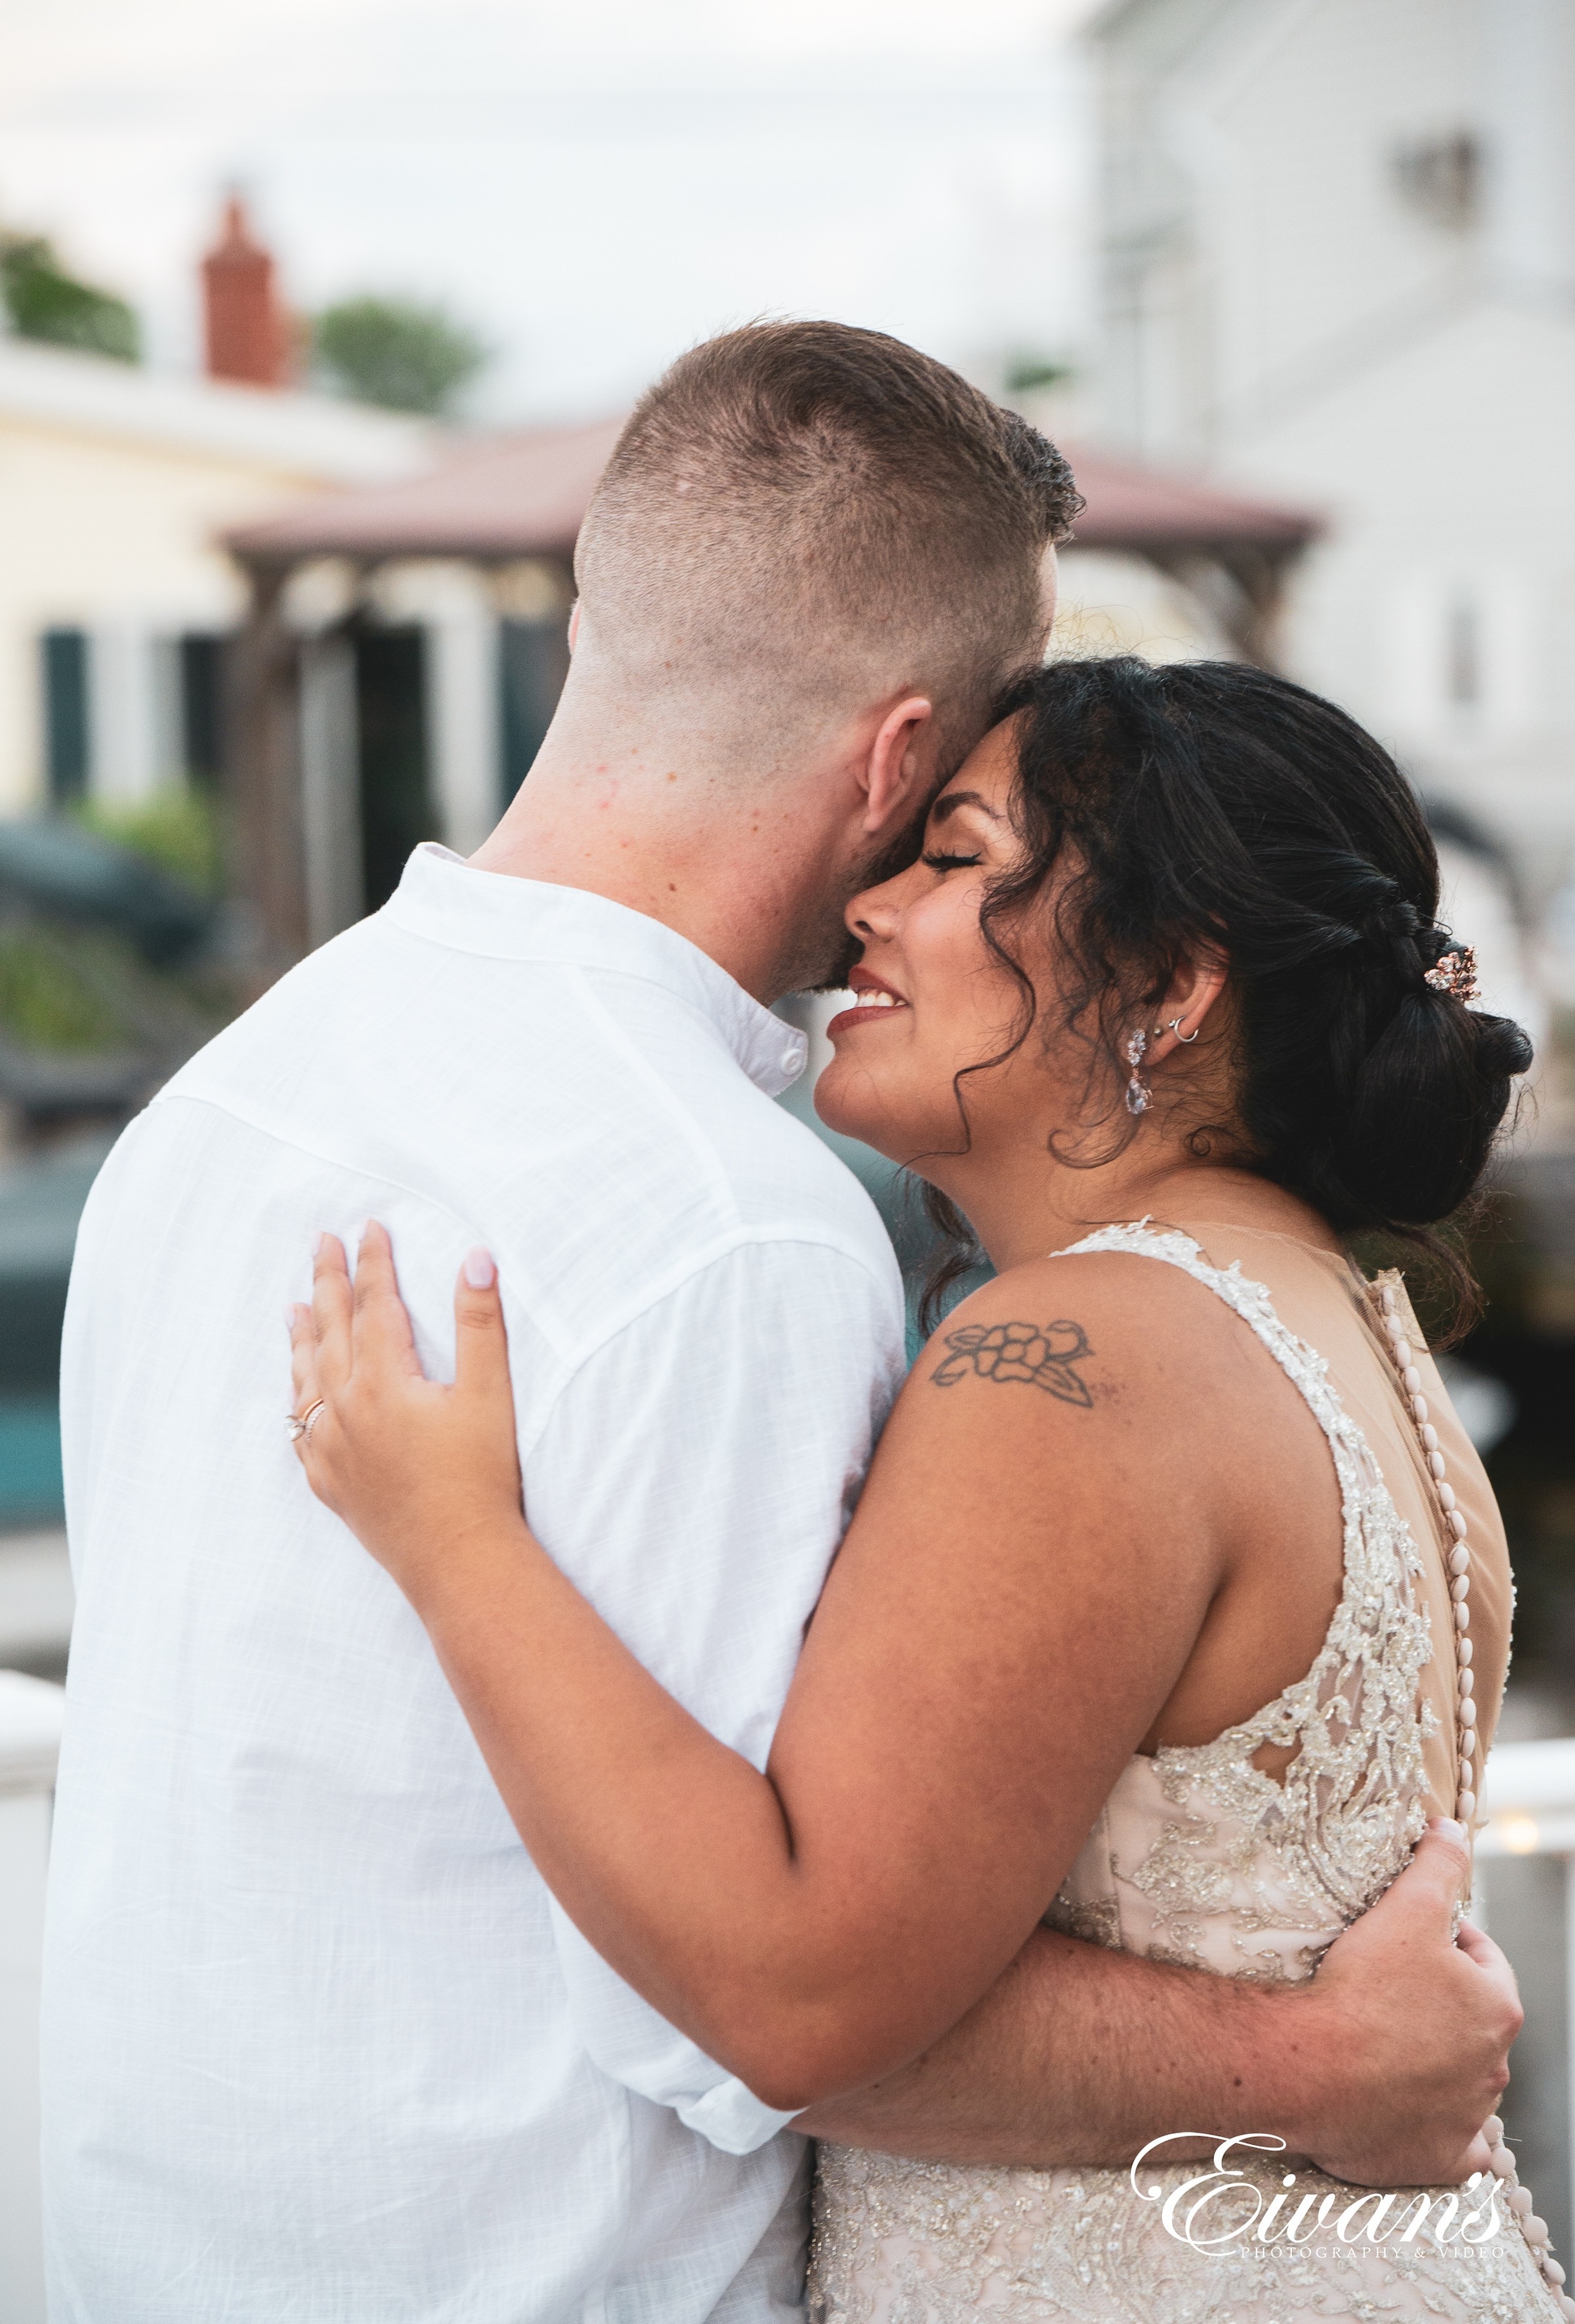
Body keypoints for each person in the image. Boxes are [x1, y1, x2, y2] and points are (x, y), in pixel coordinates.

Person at [43, 322, 1516, 2324]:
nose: (909, 887)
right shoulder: (734, 1222)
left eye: (973, 863)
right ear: (901, 753)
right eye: (953, 822)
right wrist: (1321, 2070)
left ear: (594, 622)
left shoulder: (220, 1111)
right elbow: (762, 2013)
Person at [285, 653, 1558, 2323]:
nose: (867, 905)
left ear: (1169, 987)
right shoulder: (1351, 1333)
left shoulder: (1080, 1358)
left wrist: (453, 1539)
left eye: (955, 857)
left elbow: (797, 1995)